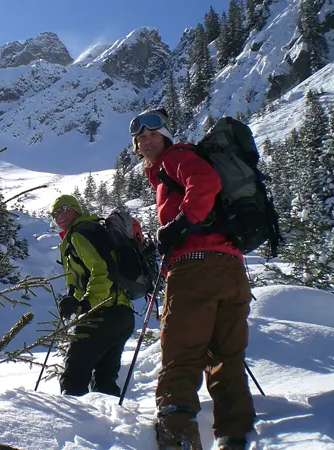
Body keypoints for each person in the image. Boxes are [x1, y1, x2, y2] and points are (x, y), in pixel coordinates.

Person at [130, 109, 256, 450]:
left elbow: (206, 183)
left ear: (167, 135)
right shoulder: (175, 163)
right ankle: (234, 434)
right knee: (226, 356)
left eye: (152, 133)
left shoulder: (176, 157)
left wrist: (181, 224)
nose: (146, 138)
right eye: (140, 137)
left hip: (194, 268)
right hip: (230, 269)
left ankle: (177, 433)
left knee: (182, 352)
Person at [50, 194, 136, 397]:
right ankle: (108, 424)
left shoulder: (81, 233)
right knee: (105, 379)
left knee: (74, 374)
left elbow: (102, 268)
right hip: (122, 312)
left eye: (63, 210)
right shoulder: (92, 231)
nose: (58, 216)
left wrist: (89, 301)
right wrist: (73, 298)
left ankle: (73, 423)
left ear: (76, 210)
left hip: (103, 311)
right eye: (54, 214)